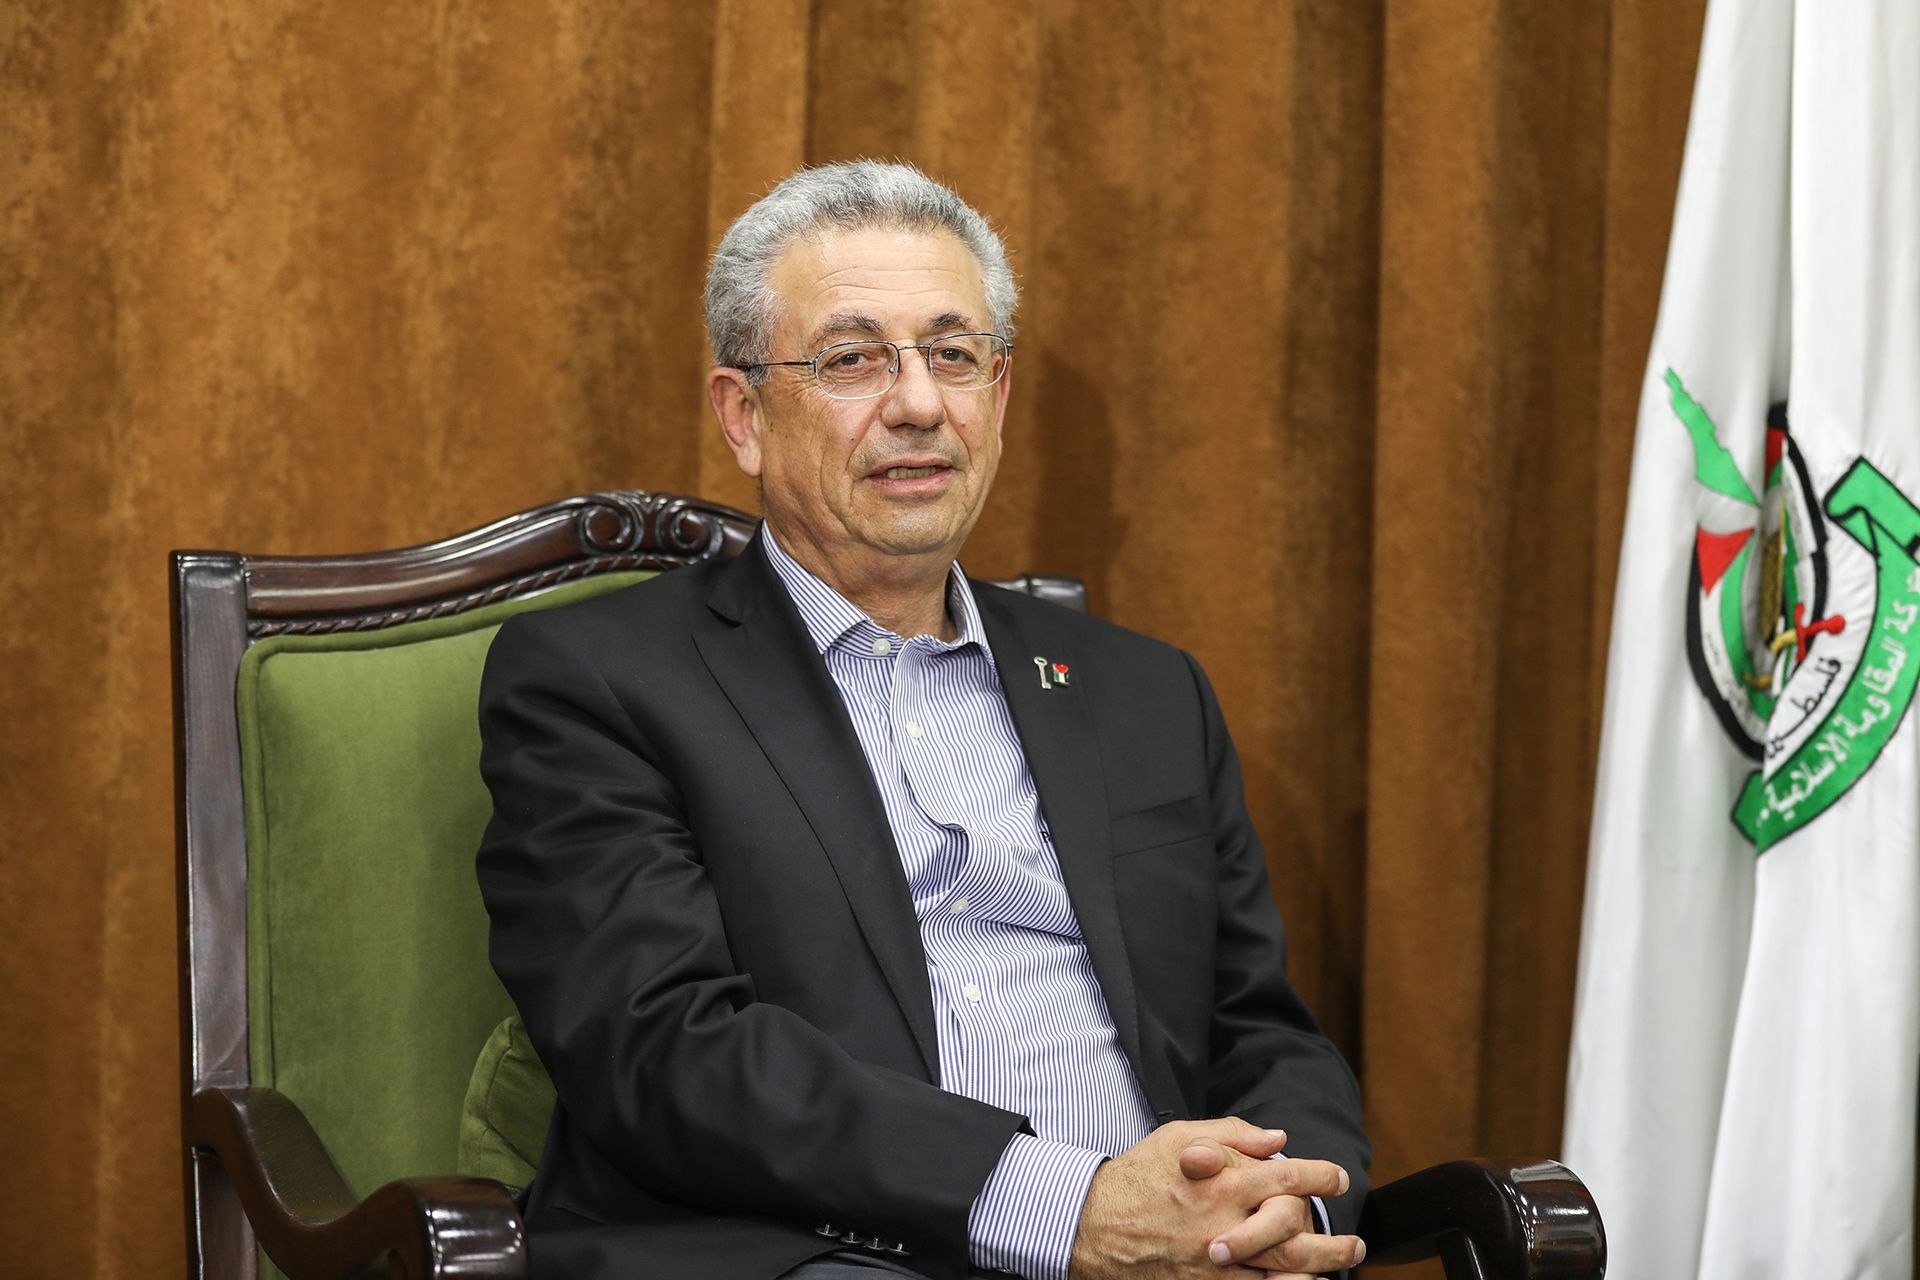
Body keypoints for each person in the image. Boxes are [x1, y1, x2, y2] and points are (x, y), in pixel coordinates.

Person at [475, 161, 1371, 1280]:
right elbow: (663, 1050)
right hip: (825, 1253)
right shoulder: (598, 682)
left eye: (953, 355)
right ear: (743, 415)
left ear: (997, 398)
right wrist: (1070, 1209)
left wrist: (1277, 1213)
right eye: (852, 359)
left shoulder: (1147, 692)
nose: (918, 403)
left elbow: (1262, 1029)